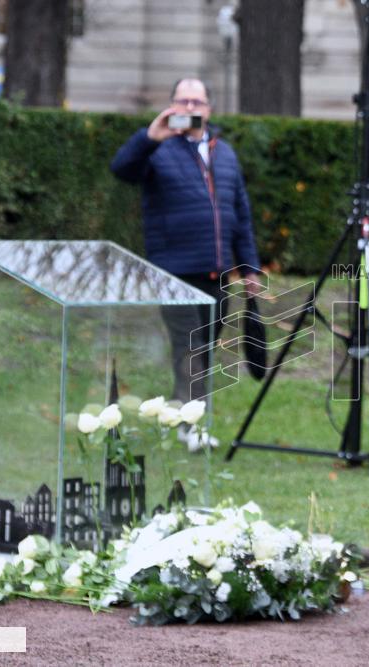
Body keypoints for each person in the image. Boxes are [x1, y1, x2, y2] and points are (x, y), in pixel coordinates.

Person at [110, 78, 260, 445]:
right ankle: (192, 428)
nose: (191, 107)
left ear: (209, 108)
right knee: (189, 346)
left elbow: (239, 211)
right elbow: (121, 168)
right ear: (172, 106)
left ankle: (184, 413)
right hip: (174, 270)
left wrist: (249, 266)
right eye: (183, 100)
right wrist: (150, 137)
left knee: (204, 347)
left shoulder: (223, 153)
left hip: (218, 270)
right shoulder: (157, 149)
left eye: (198, 101)